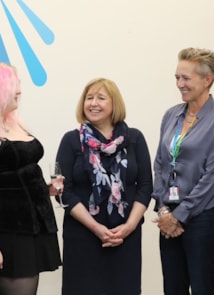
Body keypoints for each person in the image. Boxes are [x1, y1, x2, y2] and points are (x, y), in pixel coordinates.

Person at [0, 63, 62, 295]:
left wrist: (46, 189)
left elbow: (19, 176)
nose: (19, 91)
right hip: (7, 230)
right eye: (13, 86)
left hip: (35, 224)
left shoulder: (16, 121)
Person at [56, 78, 153, 295]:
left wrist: (129, 226)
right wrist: (97, 228)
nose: (93, 103)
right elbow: (64, 192)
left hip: (125, 235)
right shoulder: (71, 140)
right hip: (83, 235)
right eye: (89, 98)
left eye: (100, 98)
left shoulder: (134, 138)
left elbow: (146, 186)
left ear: (114, 104)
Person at [152, 47, 214, 295]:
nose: (179, 84)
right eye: (177, 77)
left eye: (186, 78)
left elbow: (213, 176)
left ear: (207, 79)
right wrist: (163, 209)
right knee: (173, 288)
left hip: (204, 218)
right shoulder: (171, 115)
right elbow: (160, 164)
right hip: (169, 215)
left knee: (202, 288)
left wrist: (179, 216)